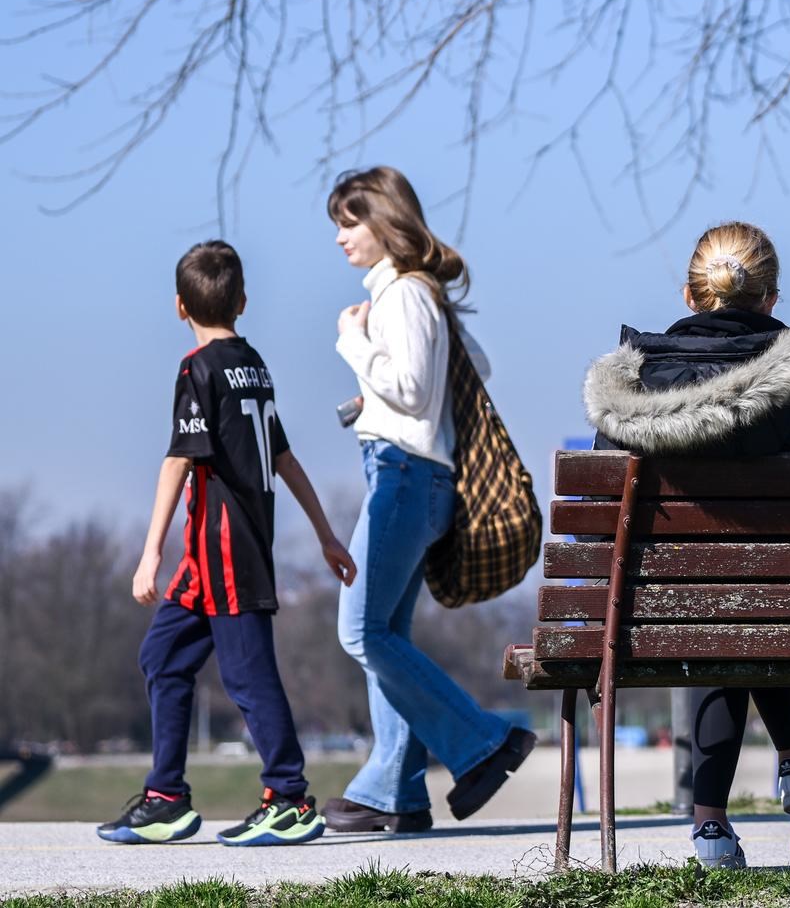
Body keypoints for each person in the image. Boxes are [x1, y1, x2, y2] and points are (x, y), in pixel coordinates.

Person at [583, 221, 790, 868]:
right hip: (783, 588)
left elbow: (599, 492)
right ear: (771, 299)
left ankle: (713, 826)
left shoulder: (637, 380)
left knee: (716, 597)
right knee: (748, 588)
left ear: (687, 294)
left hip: (665, 596)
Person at [98, 241, 356, 847]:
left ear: (179, 306)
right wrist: (324, 534)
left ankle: (289, 798)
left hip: (224, 551)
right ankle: (166, 798)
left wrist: (149, 552)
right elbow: (284, 456)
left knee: (247, 677)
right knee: (162, 657)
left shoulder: (198, 370)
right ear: (242, 302)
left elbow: (178, 462)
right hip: (215, 557)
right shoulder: (253, 364)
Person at [322, 166, 535, 834]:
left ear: (385, 221)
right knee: (385, 632)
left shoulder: (405, 295)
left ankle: (483, 741)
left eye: (348, 222)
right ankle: (396, 791)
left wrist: (354, 343)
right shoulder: (421, 295)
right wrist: (370, 397)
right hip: (414, 474)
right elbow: (465, 369)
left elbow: (413, 391)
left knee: (358, 630)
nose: (339, 239)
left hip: (404, 476)